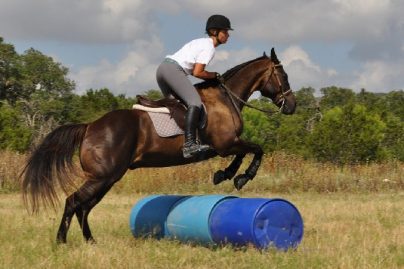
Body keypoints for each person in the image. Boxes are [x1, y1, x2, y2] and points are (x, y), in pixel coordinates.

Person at [156, 14, 233, 158]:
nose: (228, 35)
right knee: (195, 102)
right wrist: (214, 75)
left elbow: (192, 70)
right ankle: (190, 144)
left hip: (162, 69)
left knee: (177, 106)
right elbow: (198, 72)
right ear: (214, 32)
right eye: (225, 31)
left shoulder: (199, 42)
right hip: (173, 70)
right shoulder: (209, 47)